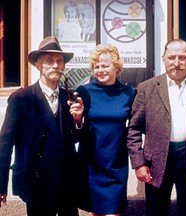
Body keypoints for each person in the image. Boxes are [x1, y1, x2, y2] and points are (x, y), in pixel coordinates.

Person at [126, 39, 186, 215]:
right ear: (163, 59)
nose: (177, 63)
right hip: (157, 159)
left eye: (182, 57)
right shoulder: (147, 88)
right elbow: (134, 129)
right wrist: (138, 163)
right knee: (156, 210)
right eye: (172, 57)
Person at [0, 36, 84, 216]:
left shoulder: (70, 98)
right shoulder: (21, 98)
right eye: (49, 61)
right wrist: (1, 184)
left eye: (59, 61)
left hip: (66, 181)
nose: (55, 65)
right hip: (35, 180)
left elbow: (73, 140)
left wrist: (78, 122)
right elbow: (5, 145)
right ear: (38, 65)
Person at [76, 44, 136, 216]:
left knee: (112, 212)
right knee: (96, 212)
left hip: (116, 164)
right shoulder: (84, 92)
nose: (100, 70)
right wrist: (78, 120)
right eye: (97, 66)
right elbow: (76, 129)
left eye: (105, 65)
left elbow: (135, 128)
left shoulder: (128, 93)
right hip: (91, 164)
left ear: (117, 67)